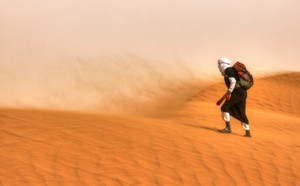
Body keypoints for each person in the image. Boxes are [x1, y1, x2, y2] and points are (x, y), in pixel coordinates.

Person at [216, 58, 251, 137]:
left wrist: (229, 93)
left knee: (225, 108)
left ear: (222, 64)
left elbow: (233, 82)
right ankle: (248, 133)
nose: (218, 66)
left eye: (219, 64)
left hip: (237, 92)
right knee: (241, 111)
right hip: (242, 92)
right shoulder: (230, 70)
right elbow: (230, 87)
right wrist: (221, 99)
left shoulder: (228, 70)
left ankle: (228, 128)